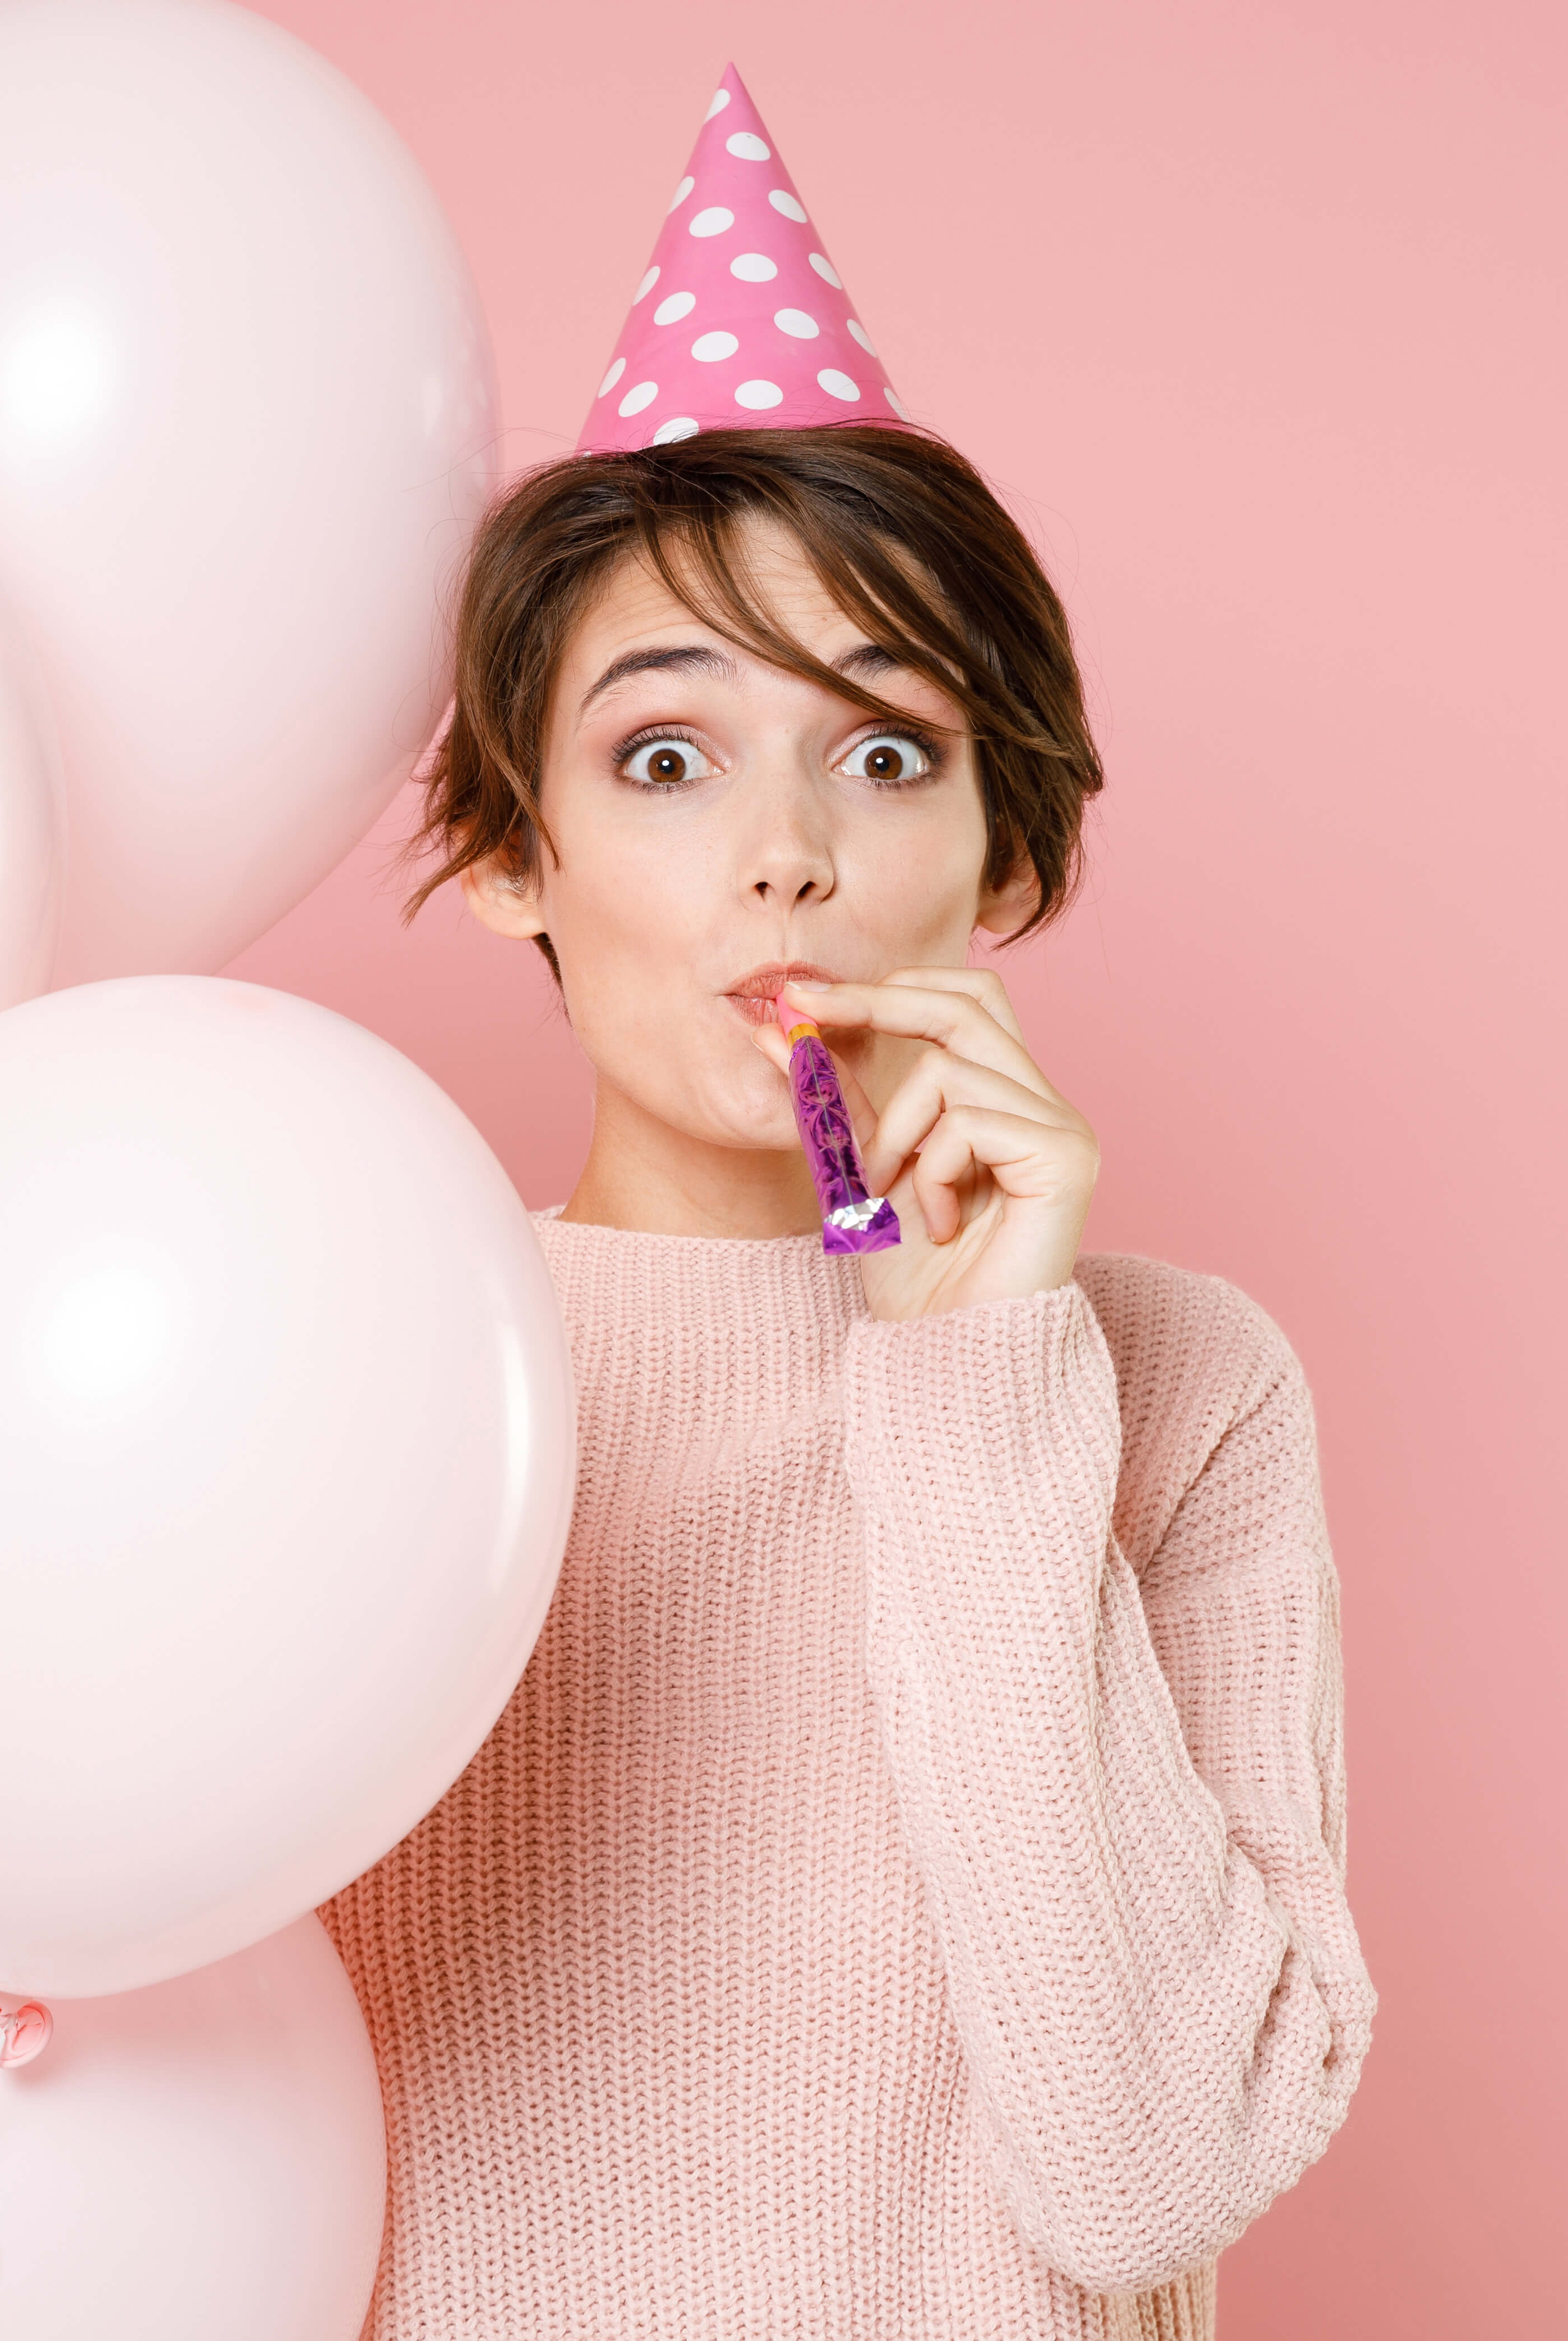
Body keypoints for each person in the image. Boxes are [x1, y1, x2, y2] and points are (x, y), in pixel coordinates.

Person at [316, 67, 1376, 2341]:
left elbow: (1141, 2181)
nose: (782, 849)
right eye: (664, 756)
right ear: (511, 847)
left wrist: (979, 1378)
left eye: (884, 747)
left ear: (1008, 849)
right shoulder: (359, 1356)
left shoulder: (1180, 1390)